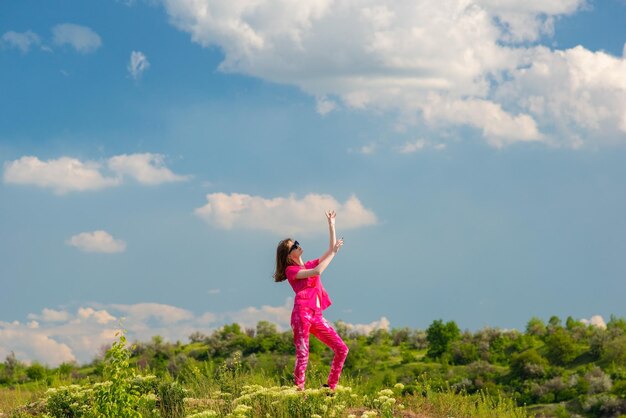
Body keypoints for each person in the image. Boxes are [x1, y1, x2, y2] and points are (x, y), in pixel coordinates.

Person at [273, 210, 349, 391]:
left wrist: (331, 225)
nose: (298, 246)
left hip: (316, 315)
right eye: (294, 246)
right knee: (303, 354)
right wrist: (333, 254)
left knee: (342, 349)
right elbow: (318, 271)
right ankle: (299, 391)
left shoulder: (307, 264)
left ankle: (330, 388)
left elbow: (330, 250)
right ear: (289, 255)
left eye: (297, 243)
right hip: (302, 314)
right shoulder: (292, 271)